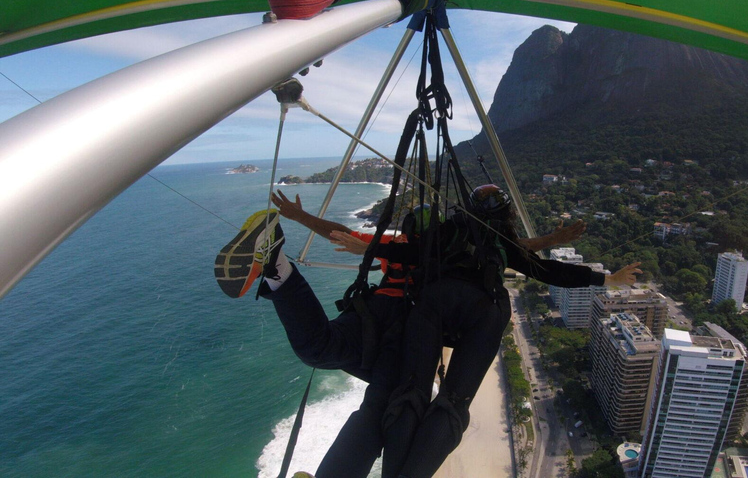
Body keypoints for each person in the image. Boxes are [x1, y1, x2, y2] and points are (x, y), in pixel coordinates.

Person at [214, 189, 589, 477]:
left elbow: (339, 233)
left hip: (368, 315)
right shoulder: (446, 254)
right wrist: (551, 240)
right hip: (402, 328)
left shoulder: (399, 247)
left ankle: (277, 265)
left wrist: (299, 216)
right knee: (382, 407)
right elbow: (510, 247)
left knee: (317, 347)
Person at [337, 184, 640, 478]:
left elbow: (413, 251)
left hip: (436, 302)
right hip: (484, 310)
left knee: (411, 390)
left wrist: (369, 248)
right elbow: (548, 271)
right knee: (454, 402)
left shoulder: (449, 229)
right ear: (506, 214)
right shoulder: (503, 241)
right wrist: (607, 279)